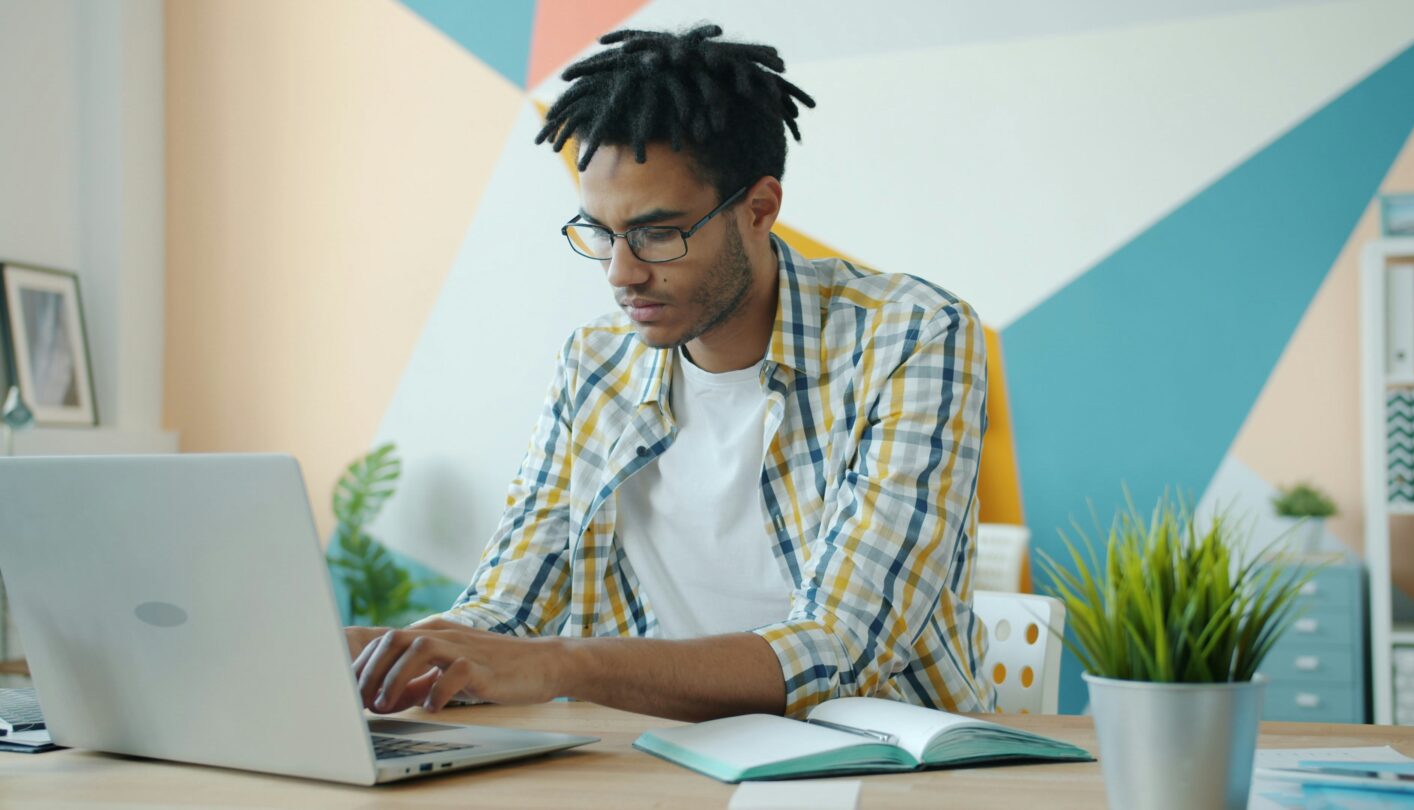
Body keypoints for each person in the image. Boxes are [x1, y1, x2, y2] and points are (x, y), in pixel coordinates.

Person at [348, 24, 994, 723]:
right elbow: (507, 614)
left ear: (759, 209)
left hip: (890, 764)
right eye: (600, 232)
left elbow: (841, 648)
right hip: (662, 762)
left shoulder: (910, 336)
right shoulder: (595, 366)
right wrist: (378, 652)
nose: (622, 274)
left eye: (658, 233)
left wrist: (568, 664)